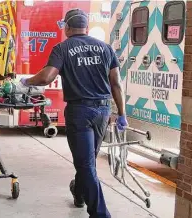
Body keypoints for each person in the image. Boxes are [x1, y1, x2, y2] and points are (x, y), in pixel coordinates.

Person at [19, 8, 128, 218]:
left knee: (86, 163)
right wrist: (122, 113)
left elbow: (46, 77)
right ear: (86, 27)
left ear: (67, 28)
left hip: (80, 111)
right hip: (102, 111)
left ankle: (100, 214)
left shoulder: (62, 48)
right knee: (87, 160)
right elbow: (116, 83)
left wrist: (27, 81)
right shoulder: (105, 48)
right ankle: (78, 192)